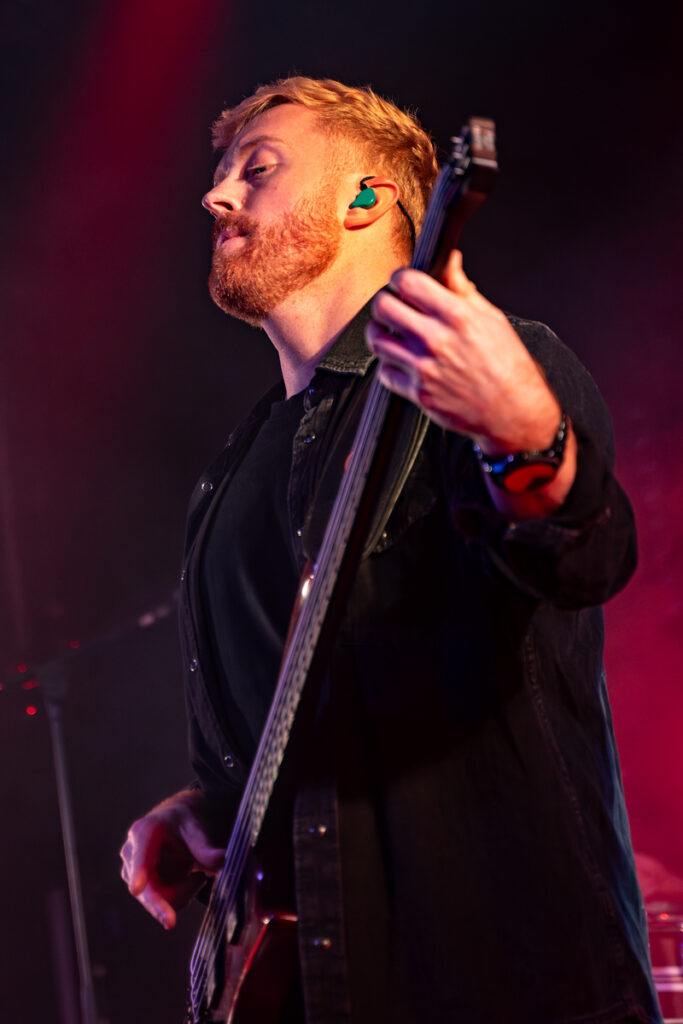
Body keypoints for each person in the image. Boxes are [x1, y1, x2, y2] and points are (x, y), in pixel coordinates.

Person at [120, 77, 662, 1023]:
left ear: (366, 198)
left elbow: (582, 556)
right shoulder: (230, 475)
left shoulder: (488, 364)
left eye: (258, 169)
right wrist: (218, 812)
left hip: (499, 986)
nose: (215, 196)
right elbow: (293, 738)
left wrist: (524, 437)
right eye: (220, 175)